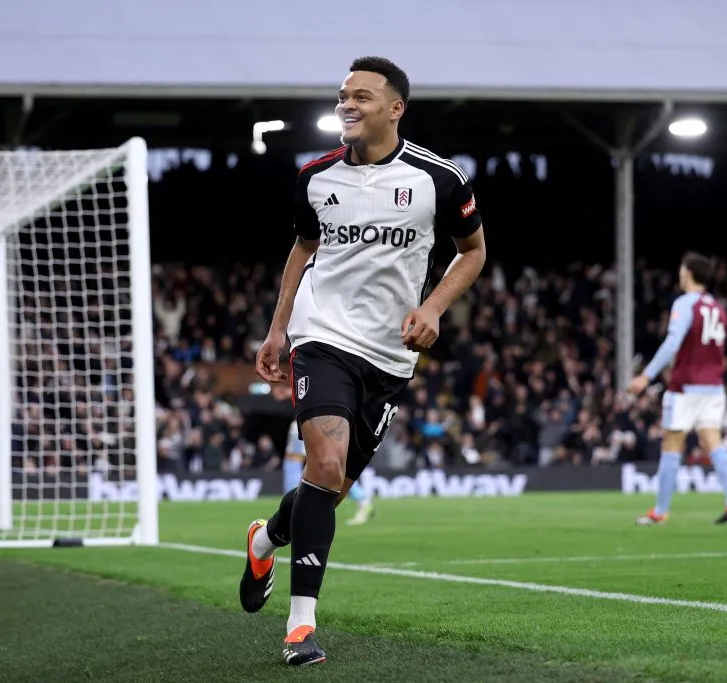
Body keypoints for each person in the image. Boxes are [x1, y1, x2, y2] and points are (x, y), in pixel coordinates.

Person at [238, 55, 486, 667]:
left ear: (395, 107)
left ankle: (265, 537)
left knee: (331, 488)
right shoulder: (315, 177)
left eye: (362, 97)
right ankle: (301, 626)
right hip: (321, 335)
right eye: (343, 95)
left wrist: (432, 308)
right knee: (322, 461)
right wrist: (276, 331)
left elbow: (474, 251)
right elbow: (303, 247)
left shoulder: (439, 178)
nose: (347, 104)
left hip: (390, 356)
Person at [627, 251, 727, 526]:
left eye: (682, 269)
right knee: (712, 441)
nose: (679, 274)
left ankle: (660, 511)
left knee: (671, 444)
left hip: (686, 386)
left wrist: (646, 377)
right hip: (714, 386)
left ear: (689, 273)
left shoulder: (685, 304)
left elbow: (672, 343)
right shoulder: (718, 308)